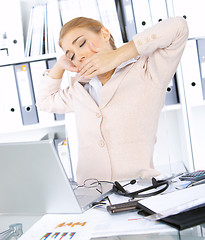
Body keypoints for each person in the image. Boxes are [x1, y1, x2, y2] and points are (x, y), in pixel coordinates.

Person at [36, 16, 189, 184]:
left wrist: (116, 56)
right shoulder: (79, 90)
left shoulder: (148, 72)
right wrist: (59, 66)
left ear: (104, 34)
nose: (78, 56)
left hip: (137, 189)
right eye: (71, 56)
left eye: (81, 44)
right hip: (91, 194)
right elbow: (44, 101)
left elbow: (178, 27)